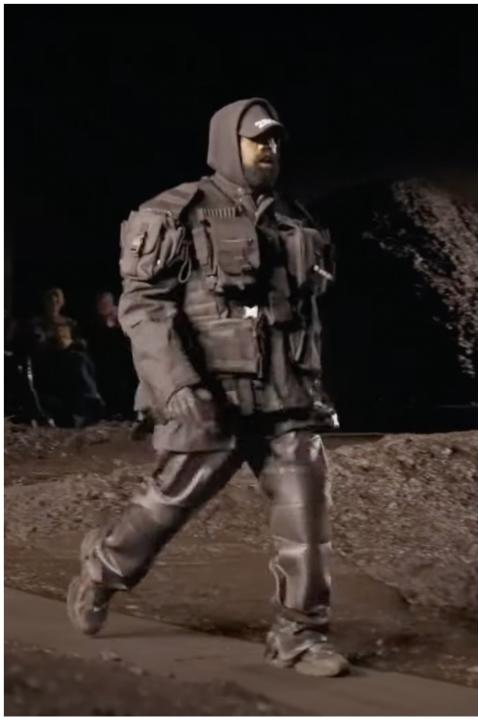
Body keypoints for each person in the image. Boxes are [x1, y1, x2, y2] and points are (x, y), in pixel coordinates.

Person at [66, 98, 348, 677]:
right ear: (228, 143)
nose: (268, 149)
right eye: (256, 139)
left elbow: (305, 315)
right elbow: (143, 308)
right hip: (210, 398)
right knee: (167, 506)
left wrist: (313, 387)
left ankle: (300, 635)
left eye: (274, 140)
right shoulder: (175, 213)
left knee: (307, 521)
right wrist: (176, 389)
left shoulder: (298, 219)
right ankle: (102, 569)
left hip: (284, 400)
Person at [32, 321, 104, 427]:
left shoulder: (78, 358)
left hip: (78, 406)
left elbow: (88, 388)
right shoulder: (44, 357)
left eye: (64, 335)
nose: (61, 338)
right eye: (57, 335)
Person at [86, 291, 138, 419]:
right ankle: (112, 409)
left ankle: (130, 410)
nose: (103, 306)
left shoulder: (120, 314)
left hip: (123, 355)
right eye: (100, 303)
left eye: (106, 302)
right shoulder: (94, 321)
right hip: (103, 358)